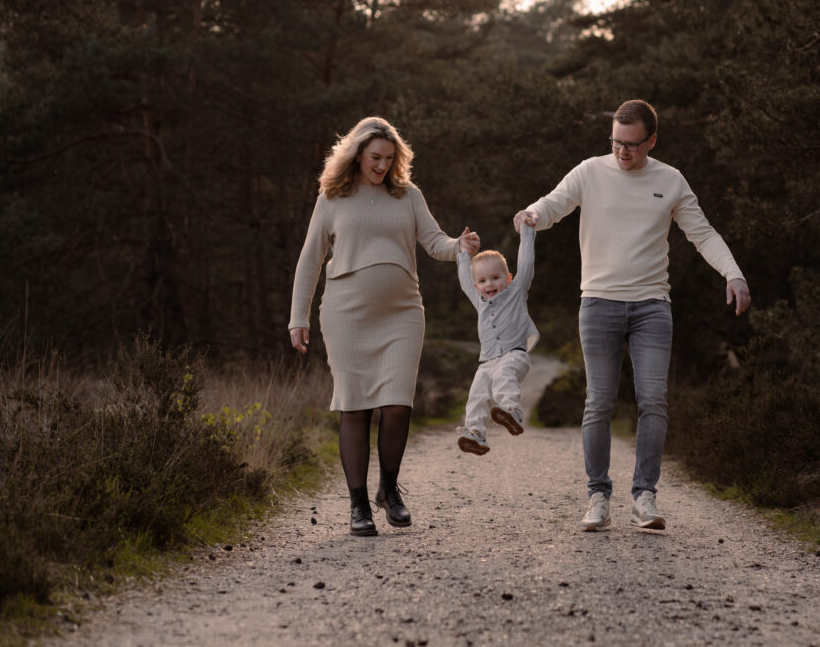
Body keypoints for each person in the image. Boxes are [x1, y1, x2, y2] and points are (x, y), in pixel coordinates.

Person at [514, 99, 750, 532]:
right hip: (599, 304)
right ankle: (598, 497)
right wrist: (531, 214)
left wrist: (733, 274)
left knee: (653, 400)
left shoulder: (671, 180)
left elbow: (703, 233)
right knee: (599, 402)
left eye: (632, 145)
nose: (622, 153)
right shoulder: (590, 171)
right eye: (616, 143)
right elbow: (553, 204)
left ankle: (645, 496)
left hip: (652, 307)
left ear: (651, 141)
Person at [289, 116, 480, 537]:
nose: (382, 166)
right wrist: (298, 317)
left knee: (397, 405)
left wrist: (460, 246)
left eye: (389, 159)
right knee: (355, 406)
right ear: (356, 154)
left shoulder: (408, 195)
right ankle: (358, 506)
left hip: (402, 313)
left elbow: (436, 243)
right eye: (375, 157)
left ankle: (389, 490)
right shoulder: (332, 197)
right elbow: (310, 260)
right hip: (345, 314)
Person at [454, 223, 539, 455]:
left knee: (504, 375)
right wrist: (462, 254)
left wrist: (528, 232)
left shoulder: (517, 291)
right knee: (477, 394)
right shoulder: (480, 301)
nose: (489, 284)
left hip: (515, 354)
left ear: (508, 278)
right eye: (482, 281)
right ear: (476, 286)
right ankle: (476, 434)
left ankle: (513, 411)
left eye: (495, 277)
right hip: (488, 361)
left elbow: (527, 264)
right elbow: (464, 280)